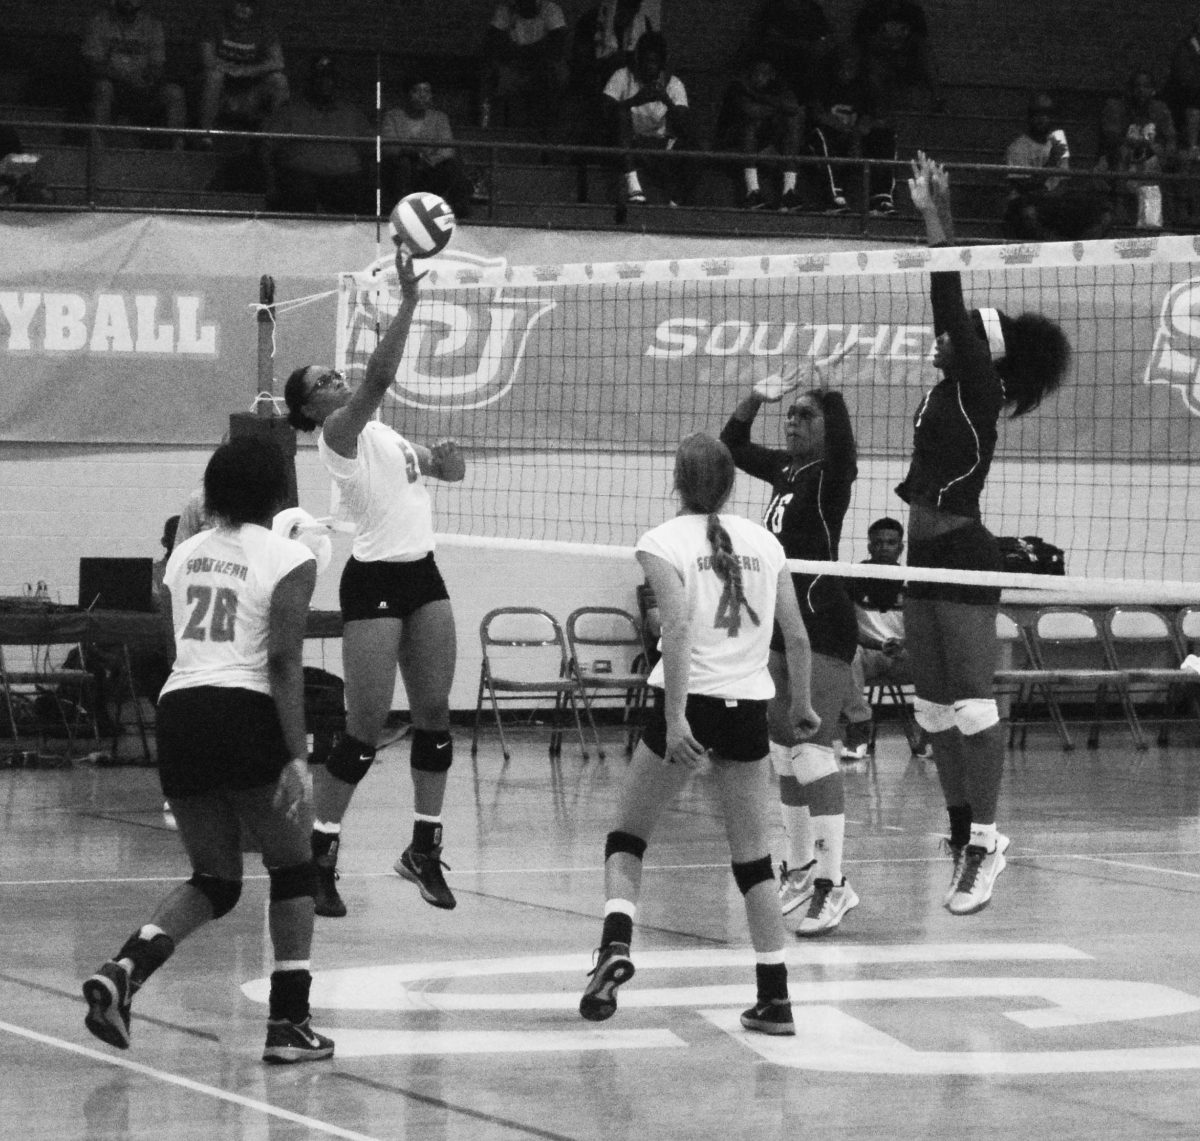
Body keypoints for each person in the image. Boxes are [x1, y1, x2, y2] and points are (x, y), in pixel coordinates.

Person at [82, 436, 333, 1064]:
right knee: (294, 868)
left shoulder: (185, 553)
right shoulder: (291, 556)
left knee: (216, 880)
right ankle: (289, 1024)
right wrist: (297, 751)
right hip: (244, 708)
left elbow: (173, 641)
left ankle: (124, 970)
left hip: (182, 710)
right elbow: (282, 659)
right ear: (277, 489)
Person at [578, 432, 818, 1033]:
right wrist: (805, 704)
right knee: (754, 859)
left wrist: (679, 717)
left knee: (628, 836)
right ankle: (775, 997)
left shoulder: (662, 541)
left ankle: (615, 945)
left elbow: (677, 630)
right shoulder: (766, 541)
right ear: (732, 484)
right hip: (748, 710)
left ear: (677, 480)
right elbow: (798, 635)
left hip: (688, 702)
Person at [903, 151, 1070, 915]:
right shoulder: (952, 388)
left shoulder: (978, 387)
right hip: (922, 555)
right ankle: (961, 830)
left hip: (965, 553)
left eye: (965, 337)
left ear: (983, 354)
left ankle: (988, 841)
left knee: (973, 704)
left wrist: (938, 222)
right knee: (933, 708)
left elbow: (948, 302)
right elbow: (949, 318)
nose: (947, 339)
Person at [283, 245, 466, 919]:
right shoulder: (338, 433)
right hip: (374, 581)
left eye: (335, 373)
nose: (336, 378)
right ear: (312, 405)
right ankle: (319, 855)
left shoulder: (383, 437)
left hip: (422, 573)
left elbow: (442, 469)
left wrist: (446, 462)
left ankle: (423, 847)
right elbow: (380, 379)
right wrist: (411, 301)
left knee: (436, 720)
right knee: (362, 731)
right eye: (323, 379)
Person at [720, 367, 861, 936]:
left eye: (808, 415)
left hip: (822, 622)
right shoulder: (784, 468)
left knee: (812, 752)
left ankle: (835, 884)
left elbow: (847, 448)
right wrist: (756, 395)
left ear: (827, 428)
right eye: (792, 415)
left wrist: (832, 394)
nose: (795, 421)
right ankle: (801, 870)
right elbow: (730, 447)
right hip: (779, 622)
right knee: (781, 753)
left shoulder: (832, 474)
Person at [839, 516, 930, 759]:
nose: (884, 547)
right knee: (847, 654)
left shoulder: (913, 580)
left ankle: (930, 737)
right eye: (878, 543)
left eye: (891, 542)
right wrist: (879, 644)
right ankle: (858, 731)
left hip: (903, 655)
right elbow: (846, 628)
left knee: (937, 662)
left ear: (900, 548)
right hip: (867, 651)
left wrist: (905, 644)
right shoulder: (853, 577)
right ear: (870, 547)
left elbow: (923, 627)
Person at [262, 55, 373, 216]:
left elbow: (370, 151)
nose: (325, 84)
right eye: (319, 78)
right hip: (300, 179)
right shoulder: (289, 111)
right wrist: (270, 184)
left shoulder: (352, 113)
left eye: (330, 79)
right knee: (298, 192)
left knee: (361, 196)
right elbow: (266, 149)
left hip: (345, 180)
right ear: (310, 81)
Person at [602, 31, 695, 206]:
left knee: (697, 149)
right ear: (638, 59)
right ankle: (634, 187)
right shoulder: (623, 76)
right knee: (621, 113)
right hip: (628, 143)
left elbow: (683, 124)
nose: (649, 66)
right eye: (646, 60)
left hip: (659, 145)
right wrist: (635, 100)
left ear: (662, 63)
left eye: (655, 61)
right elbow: (605, 112)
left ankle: (676, 201)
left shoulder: (674, 84)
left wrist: (665, 99)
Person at [1004, 92, 1112, 242]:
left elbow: (1062, 182)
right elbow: (1024, 187)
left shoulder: (1058, 144)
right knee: (1029, 213)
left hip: (1053, 203)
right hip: (1027, 202)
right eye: (1037, 113)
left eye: (1047, 113)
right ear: (1029, 117)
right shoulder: (1018, 147)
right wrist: (1051, 161)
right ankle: (1057, 249)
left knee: (1103, 212)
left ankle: (1077, 250)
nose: (1042, 118)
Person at [81, 0, 187, 149]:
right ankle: (97, 149)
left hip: (143, 89)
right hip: (113, 87)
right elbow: (94, 64)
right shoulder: (99, 22)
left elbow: (157, 64)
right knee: (103, 88)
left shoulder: (152, 25)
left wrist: (149, 79)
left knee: (174, 93)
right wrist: (126, 79)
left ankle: (177, 153)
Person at [807, 47, 898, 216]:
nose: (847, 69)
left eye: (852, 64)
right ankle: (834, 197)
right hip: (828, 135)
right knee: (822, 135)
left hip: (853, 136)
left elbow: (874, 117)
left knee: (884, 137)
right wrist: (843, 129)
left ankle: (881, 198)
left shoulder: (863, 87)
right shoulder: (824, 84)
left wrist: (857, 134)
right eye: (843, 63)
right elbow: (817, 114)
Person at [713, 55, 807, 212]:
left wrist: (760, 97)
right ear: (750, 73)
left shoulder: (776, 87)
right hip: (733, 139)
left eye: (765, 73)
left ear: (772, 75)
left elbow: (793, 108)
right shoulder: (738, 86)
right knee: (751, 125)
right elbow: (751, 111)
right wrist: (778, 107)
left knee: (794, 122)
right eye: (757, 72)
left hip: (765, 141)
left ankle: (788, 192)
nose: (760, 76)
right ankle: (752, 192)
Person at [381, 76, 475, 220]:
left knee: (453, 168)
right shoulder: (393, 116)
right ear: (407, 94)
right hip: (401, 168)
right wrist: (413, 153)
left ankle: (451, 215)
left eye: (426, 92)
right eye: (416, 91)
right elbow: (389, 146)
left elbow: (447, 149)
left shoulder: (439, 118)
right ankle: (402, 214)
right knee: (401, 164)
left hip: (430, 168)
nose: (422, 96)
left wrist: (430, 160)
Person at [197, 0, 288, 142]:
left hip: (250, 89)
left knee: (279, 81)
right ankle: (205, 135)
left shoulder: (263, 28)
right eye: (240, 3)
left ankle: (270, 137)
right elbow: (207, 60)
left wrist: (246, 71)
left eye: (249, 4)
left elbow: (278, 62)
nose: (244, 7)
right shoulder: (215, 23)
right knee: (214, 77)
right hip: (220, 87)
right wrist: (231, 70)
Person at [1097, 70, 1177, 229]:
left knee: (1157, 157)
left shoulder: (1160, 109)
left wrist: (1166, 152)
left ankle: (1152, 221)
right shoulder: (1117, 106)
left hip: (1150, 162)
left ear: (1153, 89)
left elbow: (1171, 138)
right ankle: (1120, 208)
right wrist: (1139, 143)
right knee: (1123, 152)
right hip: (1122, 159)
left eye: (1146, 86)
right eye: (1137, 86)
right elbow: (1111, 138)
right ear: (1130, 89)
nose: (1141, 90)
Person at [480, 0, 570, 138]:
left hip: (542, 67)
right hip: (515, 66)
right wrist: (529, 51)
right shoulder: (507, 9)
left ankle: (551, 131)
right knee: (492, 75)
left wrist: (522, 51)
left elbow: (557, 47)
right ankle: (493, 132)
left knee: (556, 73)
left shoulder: (550, 9)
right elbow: (494, 43)